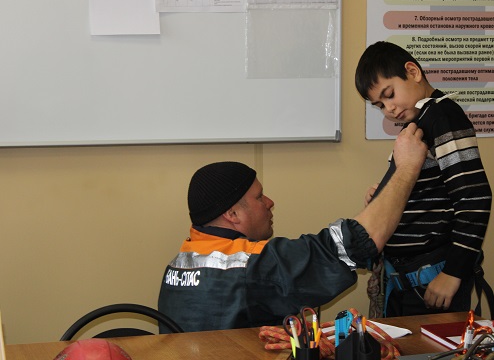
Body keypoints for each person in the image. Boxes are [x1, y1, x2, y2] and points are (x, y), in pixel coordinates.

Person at [157, 124, 427, 332]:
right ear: (233, 214)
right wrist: (407, 168)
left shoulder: (178, 265)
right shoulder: (251, 265)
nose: (270, 202)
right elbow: (356, 242)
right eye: (259, 197)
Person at [354, 41, 493, 318]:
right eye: (380, 105)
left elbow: (474, 197)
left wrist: (453, 273)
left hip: (431, 278)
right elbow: (427, 188)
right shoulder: (418, 122)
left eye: (390, 94)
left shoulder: (444, 116)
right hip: (403, 277)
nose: (389, 108)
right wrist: (382, 195)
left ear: (413, 72)